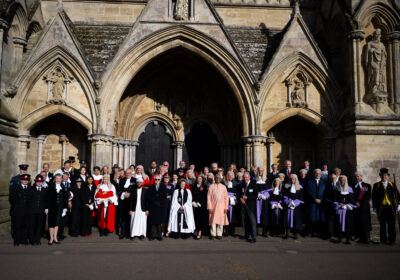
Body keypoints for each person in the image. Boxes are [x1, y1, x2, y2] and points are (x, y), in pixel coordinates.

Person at [372, 168, 399, 245]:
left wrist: (399, 205)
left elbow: (398, 195)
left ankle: (392, 240)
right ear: (380, 176)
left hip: (391, 208)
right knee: (382, 224)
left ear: (388, 176)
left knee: (392, 224)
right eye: (382, 175)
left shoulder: (392, 184)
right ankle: (383, 240)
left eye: (385, 175)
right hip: (381, 208)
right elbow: (374, 197)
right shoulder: (376, 185)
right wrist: (374, 207)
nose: (384, 177)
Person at [333, 175, 356, 244]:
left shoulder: (350, 189)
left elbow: (353, 201)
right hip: (340, 210)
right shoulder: (337, 189)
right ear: (339, 181)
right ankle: (339, 238)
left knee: (348, 224)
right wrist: (338, 205)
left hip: (347, 210)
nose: (342, 181)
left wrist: (347, 205)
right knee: (339, 224)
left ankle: (348, 239)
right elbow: (335, 199)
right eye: (341, 180)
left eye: (344, 180)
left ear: (346, 181)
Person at [9, 174, 31, 246]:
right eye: (24, 180)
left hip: (27, 211)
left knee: (25, 226)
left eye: (26, 180)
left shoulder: (30, 188)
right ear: (21, 180)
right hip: (18, 210)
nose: (25, 181)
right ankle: (17, 241)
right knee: (17, 226)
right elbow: (11, 198)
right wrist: (16, 206)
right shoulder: (16, 188)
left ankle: (24, 239)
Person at [237, 172, 259, 243]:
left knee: (252, 221)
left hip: (251, 206)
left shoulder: (253, 185)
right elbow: (239, 194)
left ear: (249, 177)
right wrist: (240, 198)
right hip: (243, 205)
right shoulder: (242, 185)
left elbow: (255, 196)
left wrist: (247, 197)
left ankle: (253, 237)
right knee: (244, 221)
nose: (245, 179)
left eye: (246, 177)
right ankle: (246, 235)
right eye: (244, 177)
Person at [47, 173, 68, 245]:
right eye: (57, 178)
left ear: (61, 179)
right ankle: (51, 238)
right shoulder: (51, 187)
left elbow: (65, 198)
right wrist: (46, 208)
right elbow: (48, 199)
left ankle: (55, 238)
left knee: (57, 223)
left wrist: (65, 208)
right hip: (52, 208)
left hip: (60, 208)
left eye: (60, 178)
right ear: (55, 179)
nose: (58, 180)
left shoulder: (63, 187)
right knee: (51, 223)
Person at [27, 175, 48, 245]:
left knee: (39, 226)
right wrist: (30, 209)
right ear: (36, 182)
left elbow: (46, 201)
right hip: (32, 211)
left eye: (40, 182)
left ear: (42, 182)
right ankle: (32, 240)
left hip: (41, 211)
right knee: (32, 226)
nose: (39, 183)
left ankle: (37, 240)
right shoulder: (31, 190)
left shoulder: (45, 190)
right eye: (38, 182)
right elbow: (29, 201)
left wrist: (46, 209)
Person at [306, 169, 327, 238]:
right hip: (313, 202)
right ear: (314, 174)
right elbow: (309, 192)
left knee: (321, 218)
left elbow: (325, 193)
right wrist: (314, 198)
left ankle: (322, 233)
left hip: (321, 203)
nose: (318, 174)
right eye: (316, 173)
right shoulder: (310, 182)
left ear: (321, 174)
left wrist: (321, 199)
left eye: (319, 173)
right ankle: (310, 232)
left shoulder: (324, 182)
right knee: (312, 218)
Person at [282, 174, 304, 239]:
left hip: (296, 206)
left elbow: (301, 197)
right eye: (291, 179)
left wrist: (294, 203)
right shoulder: (286, 186)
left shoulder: (300, 187)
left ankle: (295, 234)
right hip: (288, 205)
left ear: (296, 179)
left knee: (296, 219)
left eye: (294, 179)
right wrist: (289, 202)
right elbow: (284, 196)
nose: (292, 180)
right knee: (287, 219)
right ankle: (287, 234)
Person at [207, 175, 229, 240]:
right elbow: (208, 197)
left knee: (220, 220)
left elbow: (226, 198)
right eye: (216, 178)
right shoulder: (211, 186)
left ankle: (219, 234)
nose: (217, 179)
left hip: (221, 207)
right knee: (213, 220)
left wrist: (226, 207)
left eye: (219, 178)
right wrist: (209, 207)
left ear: (221, 179)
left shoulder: (223, 187)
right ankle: (213, 234)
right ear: (215, 179)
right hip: (213, 206)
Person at [147, 174, 168, 240]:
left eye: (158, 179)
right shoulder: (150, 187)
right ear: (154, 180)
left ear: (160, 180)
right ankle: (152, 235)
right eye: (155, 179)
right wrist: (154, 202)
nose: (157, 180)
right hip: (153, 206)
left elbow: (164, 195)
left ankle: (159, 235)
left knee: (159, 222)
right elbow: (148, 196)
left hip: (160, 206)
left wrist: (160, 203)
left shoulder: (163, 186)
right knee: (152, 222)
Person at [353, 172, 372, 243]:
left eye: (358, 176)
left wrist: (360, 203)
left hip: (364, 207)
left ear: (361, 177)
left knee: (365, 222)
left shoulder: (367, 186)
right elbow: (351, 196)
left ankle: (367, 238)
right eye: (356, 176)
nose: (357, 178)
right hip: (356, 207)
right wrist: (355, 202)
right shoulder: (353, 186)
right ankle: (358, 237)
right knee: (357, 222)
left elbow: (368, 196)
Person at [117, 169, 136, 239]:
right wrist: (123, 193)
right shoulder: (121, 180)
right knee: (123, 217)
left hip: (131, 202)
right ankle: (123, 233)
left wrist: (130, 194)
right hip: (123, 201)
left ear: (131, 173)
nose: (128, 174)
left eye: (129, 173)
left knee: (131, 217)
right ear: (125, 173)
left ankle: (130, 233)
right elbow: (118, 190)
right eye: (127, 173)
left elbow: (137, 190)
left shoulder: (134, 180)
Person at [224, 171, 240, 236]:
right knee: (226, 216)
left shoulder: (236, 184)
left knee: (233, 216)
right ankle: (227, 231)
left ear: (233, 176)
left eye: (231, 175)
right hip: (226, 201)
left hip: (233, 202)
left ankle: (232, 231)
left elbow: (238, 193)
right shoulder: (224, 183)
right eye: (229, 175)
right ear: (227, 176)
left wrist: (234, 197)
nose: (230, 176)